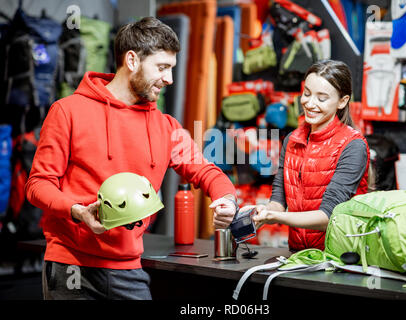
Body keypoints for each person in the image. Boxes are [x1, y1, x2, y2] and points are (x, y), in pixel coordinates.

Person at [25, 17, 237, 300]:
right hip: (71, 266)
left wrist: (227, 199)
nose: (169, 79)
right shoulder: (68, 112)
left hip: (128, 270)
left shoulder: (166, 127)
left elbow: (206, 171)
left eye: (171, 69)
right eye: (162, 68)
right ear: (132, 60)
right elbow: (38, 185)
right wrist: (78, 211)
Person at [244, 60, 369, 252]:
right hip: (299, 254)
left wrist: (275, 217)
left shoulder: (353, 145)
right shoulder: (292, 140)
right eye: (307, 93)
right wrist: (263, 212)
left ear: (342, 101)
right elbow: (278, 199)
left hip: (340, 258)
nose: (309, 104)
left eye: (321, 98)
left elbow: (328, 217)